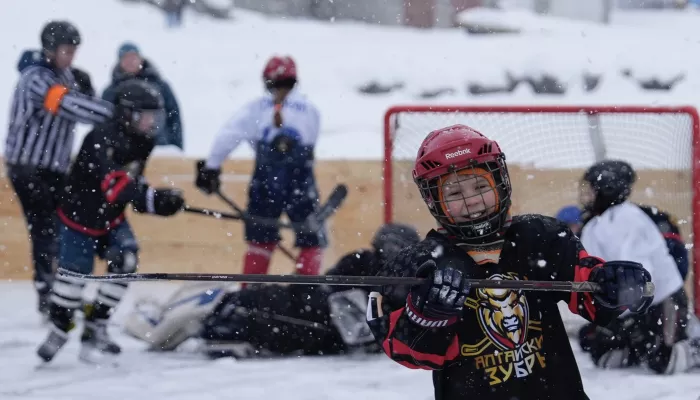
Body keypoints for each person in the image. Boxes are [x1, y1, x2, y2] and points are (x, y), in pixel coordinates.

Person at [364, 125, 653, 400]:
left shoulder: (541, 236)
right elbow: (406, 350)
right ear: (433, 200)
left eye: (479, 186)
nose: (471, 201)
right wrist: (426, 317)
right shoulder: (420, 263)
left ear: (500, 180)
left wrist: (612, 284)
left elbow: (590, 297)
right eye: (453, 193)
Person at [36, 80, 186, 365]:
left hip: (110, 218)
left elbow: (132, 181)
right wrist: (152, 199)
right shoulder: (100, 138)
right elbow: (115, 186)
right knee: (72, 281)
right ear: (128, 114)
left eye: (156, 115)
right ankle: (59, 327)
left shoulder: (144, 141)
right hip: (79, 219)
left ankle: (95, 327)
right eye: (147, 115)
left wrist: (161, 200)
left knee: (126, 261)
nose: (153, 122)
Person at [122, 223, 421, 359]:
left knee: (228, 317)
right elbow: (328, 287)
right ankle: (157, 323)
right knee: (229, 303)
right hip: (290, 306)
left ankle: (169, 327)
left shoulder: (397, 289)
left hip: (297, 323)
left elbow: (358, 333)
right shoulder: (361, 260)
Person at [5, 21, 113, 316]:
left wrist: (90, 93)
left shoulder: (64, 75)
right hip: (28, 167)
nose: (71, 57)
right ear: (50, 50)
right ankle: (47, 293)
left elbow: (83, 101)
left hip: (53, 168)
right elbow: (71, 105)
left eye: (74, 51)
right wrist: (115, 113)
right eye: (66, 51)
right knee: (45, 228)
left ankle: (60, 291)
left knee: (63, 227)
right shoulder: (36, 79)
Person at [195, 56, 323, 279]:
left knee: (260, 240)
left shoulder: (255, 108)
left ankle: (251, 294)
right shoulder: (310, 110)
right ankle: (306, 292)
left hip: (266, 180)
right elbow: (310, 143)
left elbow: (229, 134)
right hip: (299, 181)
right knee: (310, 239)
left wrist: (212, 167)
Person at [576, 160, 700, 374]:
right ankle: (642, 345)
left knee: (663, 361)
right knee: (606, 358)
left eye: (592, 189)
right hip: (628, 306)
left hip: (662, 301)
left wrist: (631, 317)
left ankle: (691, 344)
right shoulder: (595, 224)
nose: (586, 195)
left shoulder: (627, 218)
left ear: (607, 188)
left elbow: (641, 276)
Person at [102, 42, 182, 150]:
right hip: (122, 150)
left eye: (133, 57)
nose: (130, 61)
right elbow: (102, 121)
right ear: (119, 62)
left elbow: (174, 117)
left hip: (160, 148)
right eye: (126, 58)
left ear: (141, 59)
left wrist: (176, 148)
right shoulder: (111, 91)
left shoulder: (161, 87)